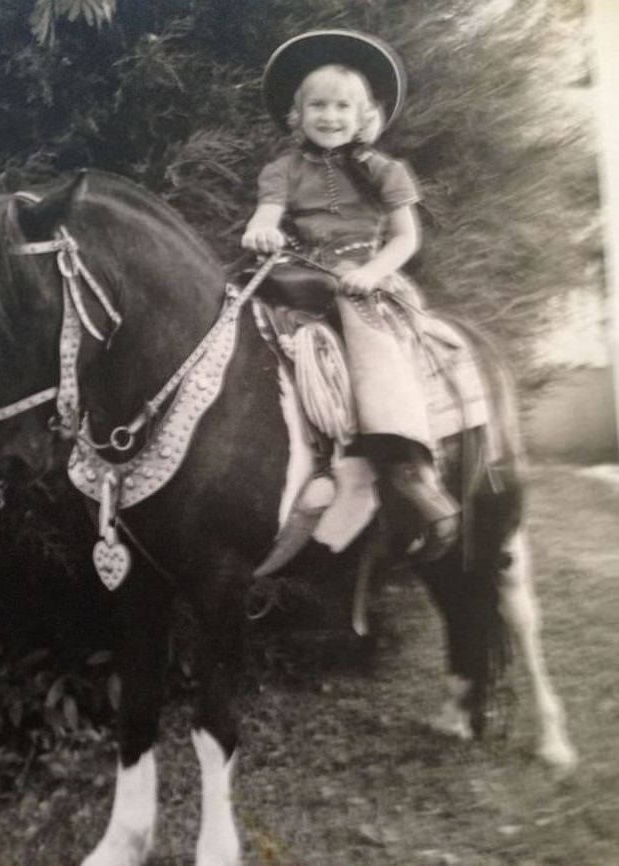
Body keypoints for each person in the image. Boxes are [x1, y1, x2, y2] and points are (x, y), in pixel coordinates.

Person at [242, 29, 459, 560]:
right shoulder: (282, 170)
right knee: (238, 320)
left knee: (367, 334)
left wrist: (375, 271)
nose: (330, 116)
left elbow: (406, 237)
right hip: (298, 272)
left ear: (365, 116)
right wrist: (261, 231)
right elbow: (266, 215)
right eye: (317, 105)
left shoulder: (386, 170)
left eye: (343, 106)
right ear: (299, 113)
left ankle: (404, 461)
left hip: (364, 276)